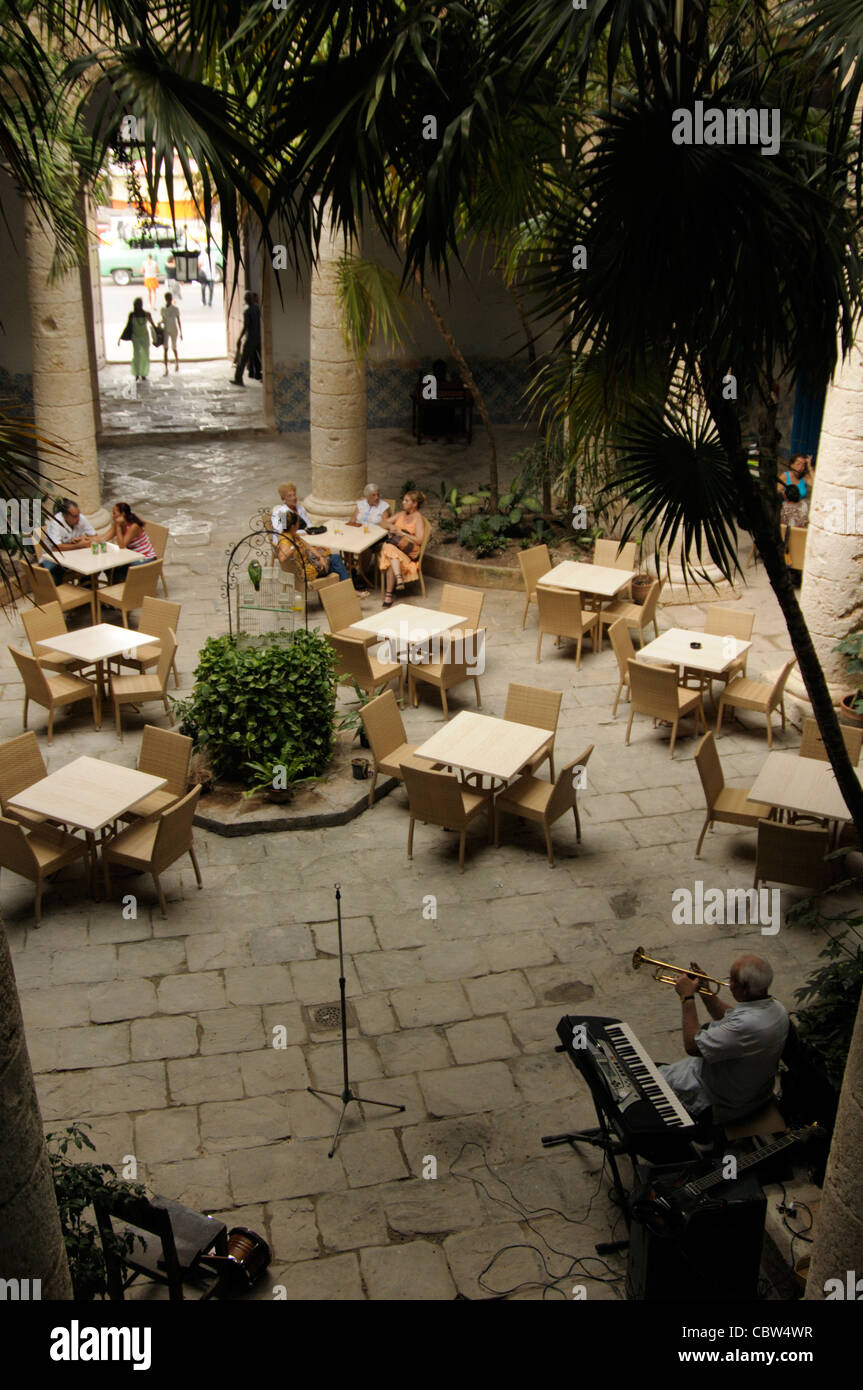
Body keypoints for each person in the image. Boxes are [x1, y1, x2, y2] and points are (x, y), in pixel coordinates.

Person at [659, 954, 789, 1126]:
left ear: (744, 990)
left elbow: (692, 1045)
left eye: (732, 980)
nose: (728, 983)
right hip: (753, 1091)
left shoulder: (745, 1026)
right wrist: (706, 992)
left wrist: (687, 997)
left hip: (718, 1100)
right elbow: (730, 1017)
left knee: (649, 1083)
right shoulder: (776, 1008)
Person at [277, 509, 350, 585]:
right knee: (336, 560)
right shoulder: (285, 540)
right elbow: (281, 558)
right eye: (297, 523)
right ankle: (346, 587)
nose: (298, 525)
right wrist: (294, 547)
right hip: (306, 572)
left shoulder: (293, 535)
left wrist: (321, 558)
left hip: (308, 564)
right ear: (292, 526)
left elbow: (310, 547)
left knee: (332, 559)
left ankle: (340, 587)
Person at [379, 490, 425, 607]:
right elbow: (382, 523)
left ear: (414, 504)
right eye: (403, 500)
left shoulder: (418, 518)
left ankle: (389, 594)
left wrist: (401, 533)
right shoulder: (400, 514)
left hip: (408, 552)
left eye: (406, 501)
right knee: (390, 554)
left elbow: (419, 540)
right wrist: (392, 527)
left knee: (387, 546)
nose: (403, 503)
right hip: (396, 549)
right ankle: (396, 582)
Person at [97, 502, 158, 583]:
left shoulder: (134, 526)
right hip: (131, 556)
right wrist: (88, 539)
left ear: (123, 514)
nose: (112, 515)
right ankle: (114, 586)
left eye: (114, 513)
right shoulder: (117, 523)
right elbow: (105, 537)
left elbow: (122, 545)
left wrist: (118, 526)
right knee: (108, 568)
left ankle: (124, 588)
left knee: (118, 571)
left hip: (145, 558)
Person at [348, 484, 392, 591]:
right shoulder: (360, 504)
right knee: (346, 543)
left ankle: (360, 575)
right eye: (373, 495)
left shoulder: (384, 507)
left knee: (365, 547)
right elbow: (352, 521)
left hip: (376, 537)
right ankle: (349, 571)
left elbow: (385, 526)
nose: (376, 497)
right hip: (359, 533)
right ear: (367, 496)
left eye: (378, 495)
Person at [40, 499, 96, 582]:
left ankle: (87, 590)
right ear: (65, 516)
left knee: (92, 565)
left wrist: (83, 538)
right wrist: (80, 545)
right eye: (75, 516)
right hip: (52, 558)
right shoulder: (56, 523)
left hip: (72, 556)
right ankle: (57, 593)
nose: (78, 518)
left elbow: (94, 536)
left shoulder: (80, 518)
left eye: (78, 515)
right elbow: (56, 548)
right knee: (53, 571)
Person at [118, 298, 154, 383]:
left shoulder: (147, 314)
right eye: (136, 304)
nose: (138, 306)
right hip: (136, 337)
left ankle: (144, 373)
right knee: (136, 355)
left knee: (145, 354)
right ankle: (137, 373)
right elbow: (128, 326)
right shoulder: (132, 315)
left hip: (145, 337)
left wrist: (158, 333)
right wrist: (120, 337)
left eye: (139, 304)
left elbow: (153, 324)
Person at [231, 291, 261, 385]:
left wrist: (240, 337)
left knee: (243, 359)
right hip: (259, 337)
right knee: (262, 358)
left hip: (251, 338)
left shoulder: (247, 311)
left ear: (246, 301)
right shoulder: (257, 308)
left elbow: (246, 326)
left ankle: (238, 378)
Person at [160, 293, 182, 374]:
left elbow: (178, 320)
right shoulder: (162, 309)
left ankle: (177, 362)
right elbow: (163, 319)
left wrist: (181, 332)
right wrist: (160, 323)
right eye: (167, 298)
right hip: (166, 329)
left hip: (174, 329)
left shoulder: (175, 309)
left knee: (174, 347)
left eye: (170, 298)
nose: (169, 300)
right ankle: (166, 367)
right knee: (165, 348)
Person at [249, 292, 262, 380]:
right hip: (256, 336)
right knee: (255, 356)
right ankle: (255, 373)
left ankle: (254, 373)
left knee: (254, 356)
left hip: (254, 336)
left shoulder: (256, 309)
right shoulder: (257, 309)